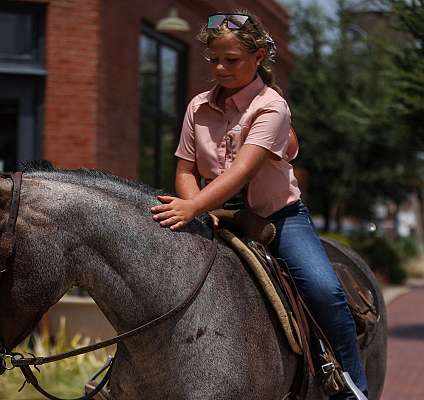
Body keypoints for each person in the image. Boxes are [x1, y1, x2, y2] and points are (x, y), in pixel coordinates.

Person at [149, 12, 368, 400]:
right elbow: (185, 168)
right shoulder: (197, 106)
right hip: (212, 214)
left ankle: (350, 387)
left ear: (260, 55)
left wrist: (192, 207)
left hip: (278, 218)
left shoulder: (272, 107)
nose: (220, 68)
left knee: (323, 290)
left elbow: (242, 171)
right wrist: (193, 204)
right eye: (213, 59)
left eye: (231, 60)